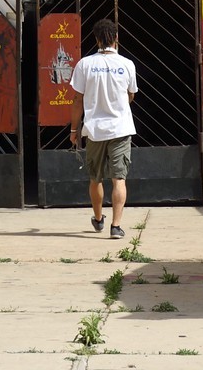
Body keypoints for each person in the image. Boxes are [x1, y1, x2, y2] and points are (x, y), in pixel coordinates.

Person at [68, 17, 137, 238]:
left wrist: (73, 130)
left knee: (95, 178)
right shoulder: (127, 64)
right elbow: (131, 95)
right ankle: (116, 226)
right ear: (116, 38)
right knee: (119, 179)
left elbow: (77, 100)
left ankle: (98, 220)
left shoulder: (84, 65)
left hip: (95, 130)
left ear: (96, 39)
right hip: (121, 129)